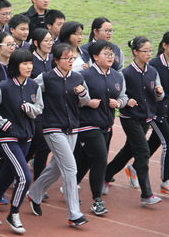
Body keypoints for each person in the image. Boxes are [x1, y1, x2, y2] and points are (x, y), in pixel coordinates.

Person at [27, 43, 90, 227]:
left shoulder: (78, 78)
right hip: (52, 128)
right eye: (66, 58)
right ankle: (74, 214)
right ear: (56, 61)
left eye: (72, 58)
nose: (71, 61)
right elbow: (31, 91)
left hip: (72, 129)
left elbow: (84, 101)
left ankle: (34, 193)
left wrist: (83, 93)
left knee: (55, 168)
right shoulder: (45, 78)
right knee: (70, 169)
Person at [0, 48, 43, 234]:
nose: (28, 66)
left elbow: (39, 108)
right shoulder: (3, 86)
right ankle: (14, 213)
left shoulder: (34, 85)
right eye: (24, 63)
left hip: (26, 138)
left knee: (8, 175)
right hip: (7, 137)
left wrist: (30, 109)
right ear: (16, 66)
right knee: (25, 177)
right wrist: (5, 124)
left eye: (30, 63)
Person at [104, 37, 164, 206]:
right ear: (135, 52)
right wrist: (127, 101)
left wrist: (159, 92)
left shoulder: (152, 71)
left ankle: (106, 175)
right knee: (143, 151)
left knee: (129, 150)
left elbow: (159, 97)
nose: (148, 54)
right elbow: (119, 95)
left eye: (150, 50)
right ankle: (146, 195)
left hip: (146, 117)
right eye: (145, 51)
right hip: (130, 118)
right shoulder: (126, 73)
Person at [76, 40, 127, 215]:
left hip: (106, 124)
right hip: (87, 125)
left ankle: (71, 185)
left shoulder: (117, 76)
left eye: (112, 54)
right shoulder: (85, 76)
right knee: (100, 157)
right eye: (106, 54)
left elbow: (123, 97)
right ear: (95, 57)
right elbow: (75, 99)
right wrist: (87, 102)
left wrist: (119, 102)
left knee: (87, 158)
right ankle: (97, 200)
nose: (111, 57)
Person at [26, 29, 53, 183]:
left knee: (34, 146)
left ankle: (16, 171)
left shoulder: (52, 60)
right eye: (46, 41)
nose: (50, 44)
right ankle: (38, 184)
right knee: (43, 145)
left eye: (51, 40)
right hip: (34, 110)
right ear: (36, 43)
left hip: (50, 109)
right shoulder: (30, 61)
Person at [148, 32, 169, 194]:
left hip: (167, 111)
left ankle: (133, 168)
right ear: (164, 45)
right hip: (156, 112)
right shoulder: (154, 65)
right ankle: (166, 181)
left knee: (155, 141)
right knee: (167, 143)